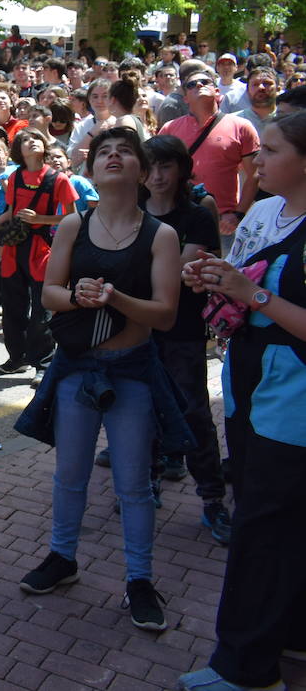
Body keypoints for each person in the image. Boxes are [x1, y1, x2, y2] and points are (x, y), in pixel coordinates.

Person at [15, 126, 186, 634]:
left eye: (125, 152)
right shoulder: (72, 224)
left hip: (132, 371)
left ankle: (139, 580)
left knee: (133, 484)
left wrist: (115, 298)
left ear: (143, 170)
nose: (113, 157)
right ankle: (62, 558)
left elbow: (166, 315)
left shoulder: (162, 235)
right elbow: (49, 294)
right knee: (70, 474)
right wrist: (80, 296)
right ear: (92, 171)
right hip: (76, 368)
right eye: (104, 152)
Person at [177, 112, 306, 691]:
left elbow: (267, 298)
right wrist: (218, 277)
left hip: (292, 406)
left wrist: (249, 293)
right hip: (253, 393)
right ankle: (288, 634)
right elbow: (247, 279)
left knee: (263, 531)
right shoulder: (265, 211)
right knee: (276, 522)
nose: (255, 161)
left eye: (271, 150)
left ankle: (248, 670)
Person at [140, 136, 231, 546]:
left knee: (193, 412)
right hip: (137, 327)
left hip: (182, 330)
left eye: (166, 167)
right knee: (142, 411)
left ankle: (212, 499)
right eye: (150, 167)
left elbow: (179, 272)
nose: (157, 177)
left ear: (181, 169)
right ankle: (149, 480)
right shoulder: (132, 210)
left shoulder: (196, 216)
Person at [0, 127, 76, 378]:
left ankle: (44, 364)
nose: (32, 142)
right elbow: (12, 211)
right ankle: (17, 358)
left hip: (42, 249)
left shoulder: (58, 179)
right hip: (15, 248)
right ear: (18, 149)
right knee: (12, 307)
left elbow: (71, 217)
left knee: (41, 310)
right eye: (25, 139)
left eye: (36, 138)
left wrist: (42, 218)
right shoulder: (15, 177)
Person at [159, 70, 260, 253]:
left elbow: (255, 174)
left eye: (205, 81)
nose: (198, 85)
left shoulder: (241, 126)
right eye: (191, 84)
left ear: (217, 91)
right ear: (185, 99)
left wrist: (238, 214)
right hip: (178, 218)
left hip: (223, 222)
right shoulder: (169, 128)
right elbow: (154, 171)